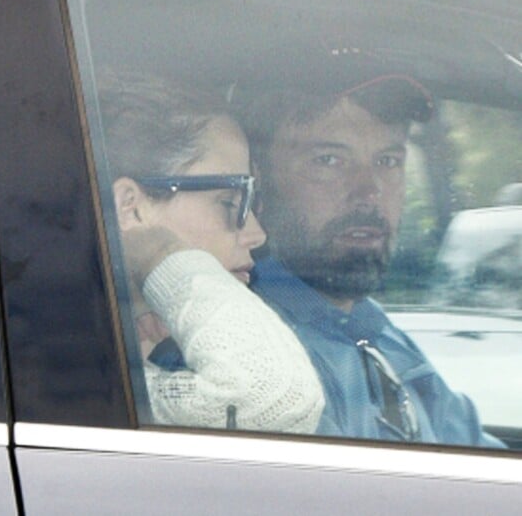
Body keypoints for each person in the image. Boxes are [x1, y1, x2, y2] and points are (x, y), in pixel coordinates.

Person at [239, 73, 504, 446]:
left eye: (388, 160)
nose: (370, 191)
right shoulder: (258, 358)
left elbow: (476, 454)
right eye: (329, 160)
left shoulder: (372, 327)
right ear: (258, 182)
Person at [98, 73, 324, 433]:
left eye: (253, 203)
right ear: (131, 208)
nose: (256, 234)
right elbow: (272, 401)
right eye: (230, 201)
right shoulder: (54, 367)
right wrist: (160, 252)